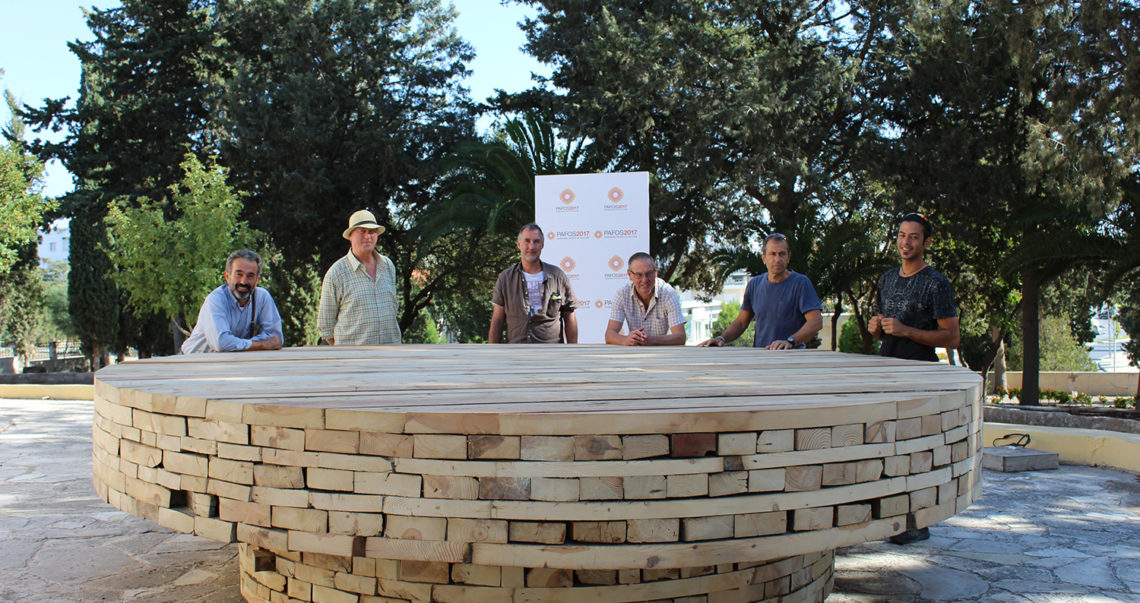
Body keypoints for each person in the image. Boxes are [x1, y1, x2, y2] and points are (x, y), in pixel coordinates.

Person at [869, 212, 960, 544]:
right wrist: (876, 327)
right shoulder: (886, 279)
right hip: (886, 372)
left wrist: (906, 330)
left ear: (926, 242)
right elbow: (882, 325)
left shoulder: (936, 283)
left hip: (919, 373)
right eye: (902, 235)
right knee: (886, 446)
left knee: (913, 449)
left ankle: (917, 523)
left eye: (914, 237)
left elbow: (952, 337)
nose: (905, 242)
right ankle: (889, 516)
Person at [699, 233, 822, 348]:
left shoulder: (801, 283)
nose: (777, 259)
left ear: (788, 257)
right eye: (772, 254)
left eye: (782, 254)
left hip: (792, 358)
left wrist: (790, 341)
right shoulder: (754, 284)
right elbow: (741, 322)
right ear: (764, 258)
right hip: (760, 356)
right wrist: (721, 339)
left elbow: (816, 322)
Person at [318, 209, 402, 345]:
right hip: (353, 356)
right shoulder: (336, 273)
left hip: (391, 352)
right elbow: (326, 328)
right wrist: (347, 352)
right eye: (362, 231)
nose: (368, 236)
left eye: (372, 231)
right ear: (350, 235)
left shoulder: (388, 266)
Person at [489, 223, 578, 343]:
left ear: (542, 245)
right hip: (516, 352)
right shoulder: (505, 278)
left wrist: (573, 349)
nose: (531, 246)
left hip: (551, 352)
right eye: (527, 241)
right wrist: (493, 351)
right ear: (518, 244)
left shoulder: (558, 277)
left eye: (536, 241)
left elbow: (569, 316)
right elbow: (497, 320)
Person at [181, 249, 283, 354]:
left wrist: (235, 344)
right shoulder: (215, 300)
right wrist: (261, 344)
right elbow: (221, 343)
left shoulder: (262, 297)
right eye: (239, 274)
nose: (243, 281)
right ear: (227, 276)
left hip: (229, 359)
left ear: (257, 280)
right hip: (193, 360)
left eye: (250, 276)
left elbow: (275, 338)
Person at [605, 252, 686, 346]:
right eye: (639, 275)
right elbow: (609, 335)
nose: (645, 280)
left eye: (649, 273)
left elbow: (680, 337)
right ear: (630, 274)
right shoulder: (622, 294)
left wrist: (651, 340)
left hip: (662, 353)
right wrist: (626, 340)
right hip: (634, 353)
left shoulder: (668, 293)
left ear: (655, 272)